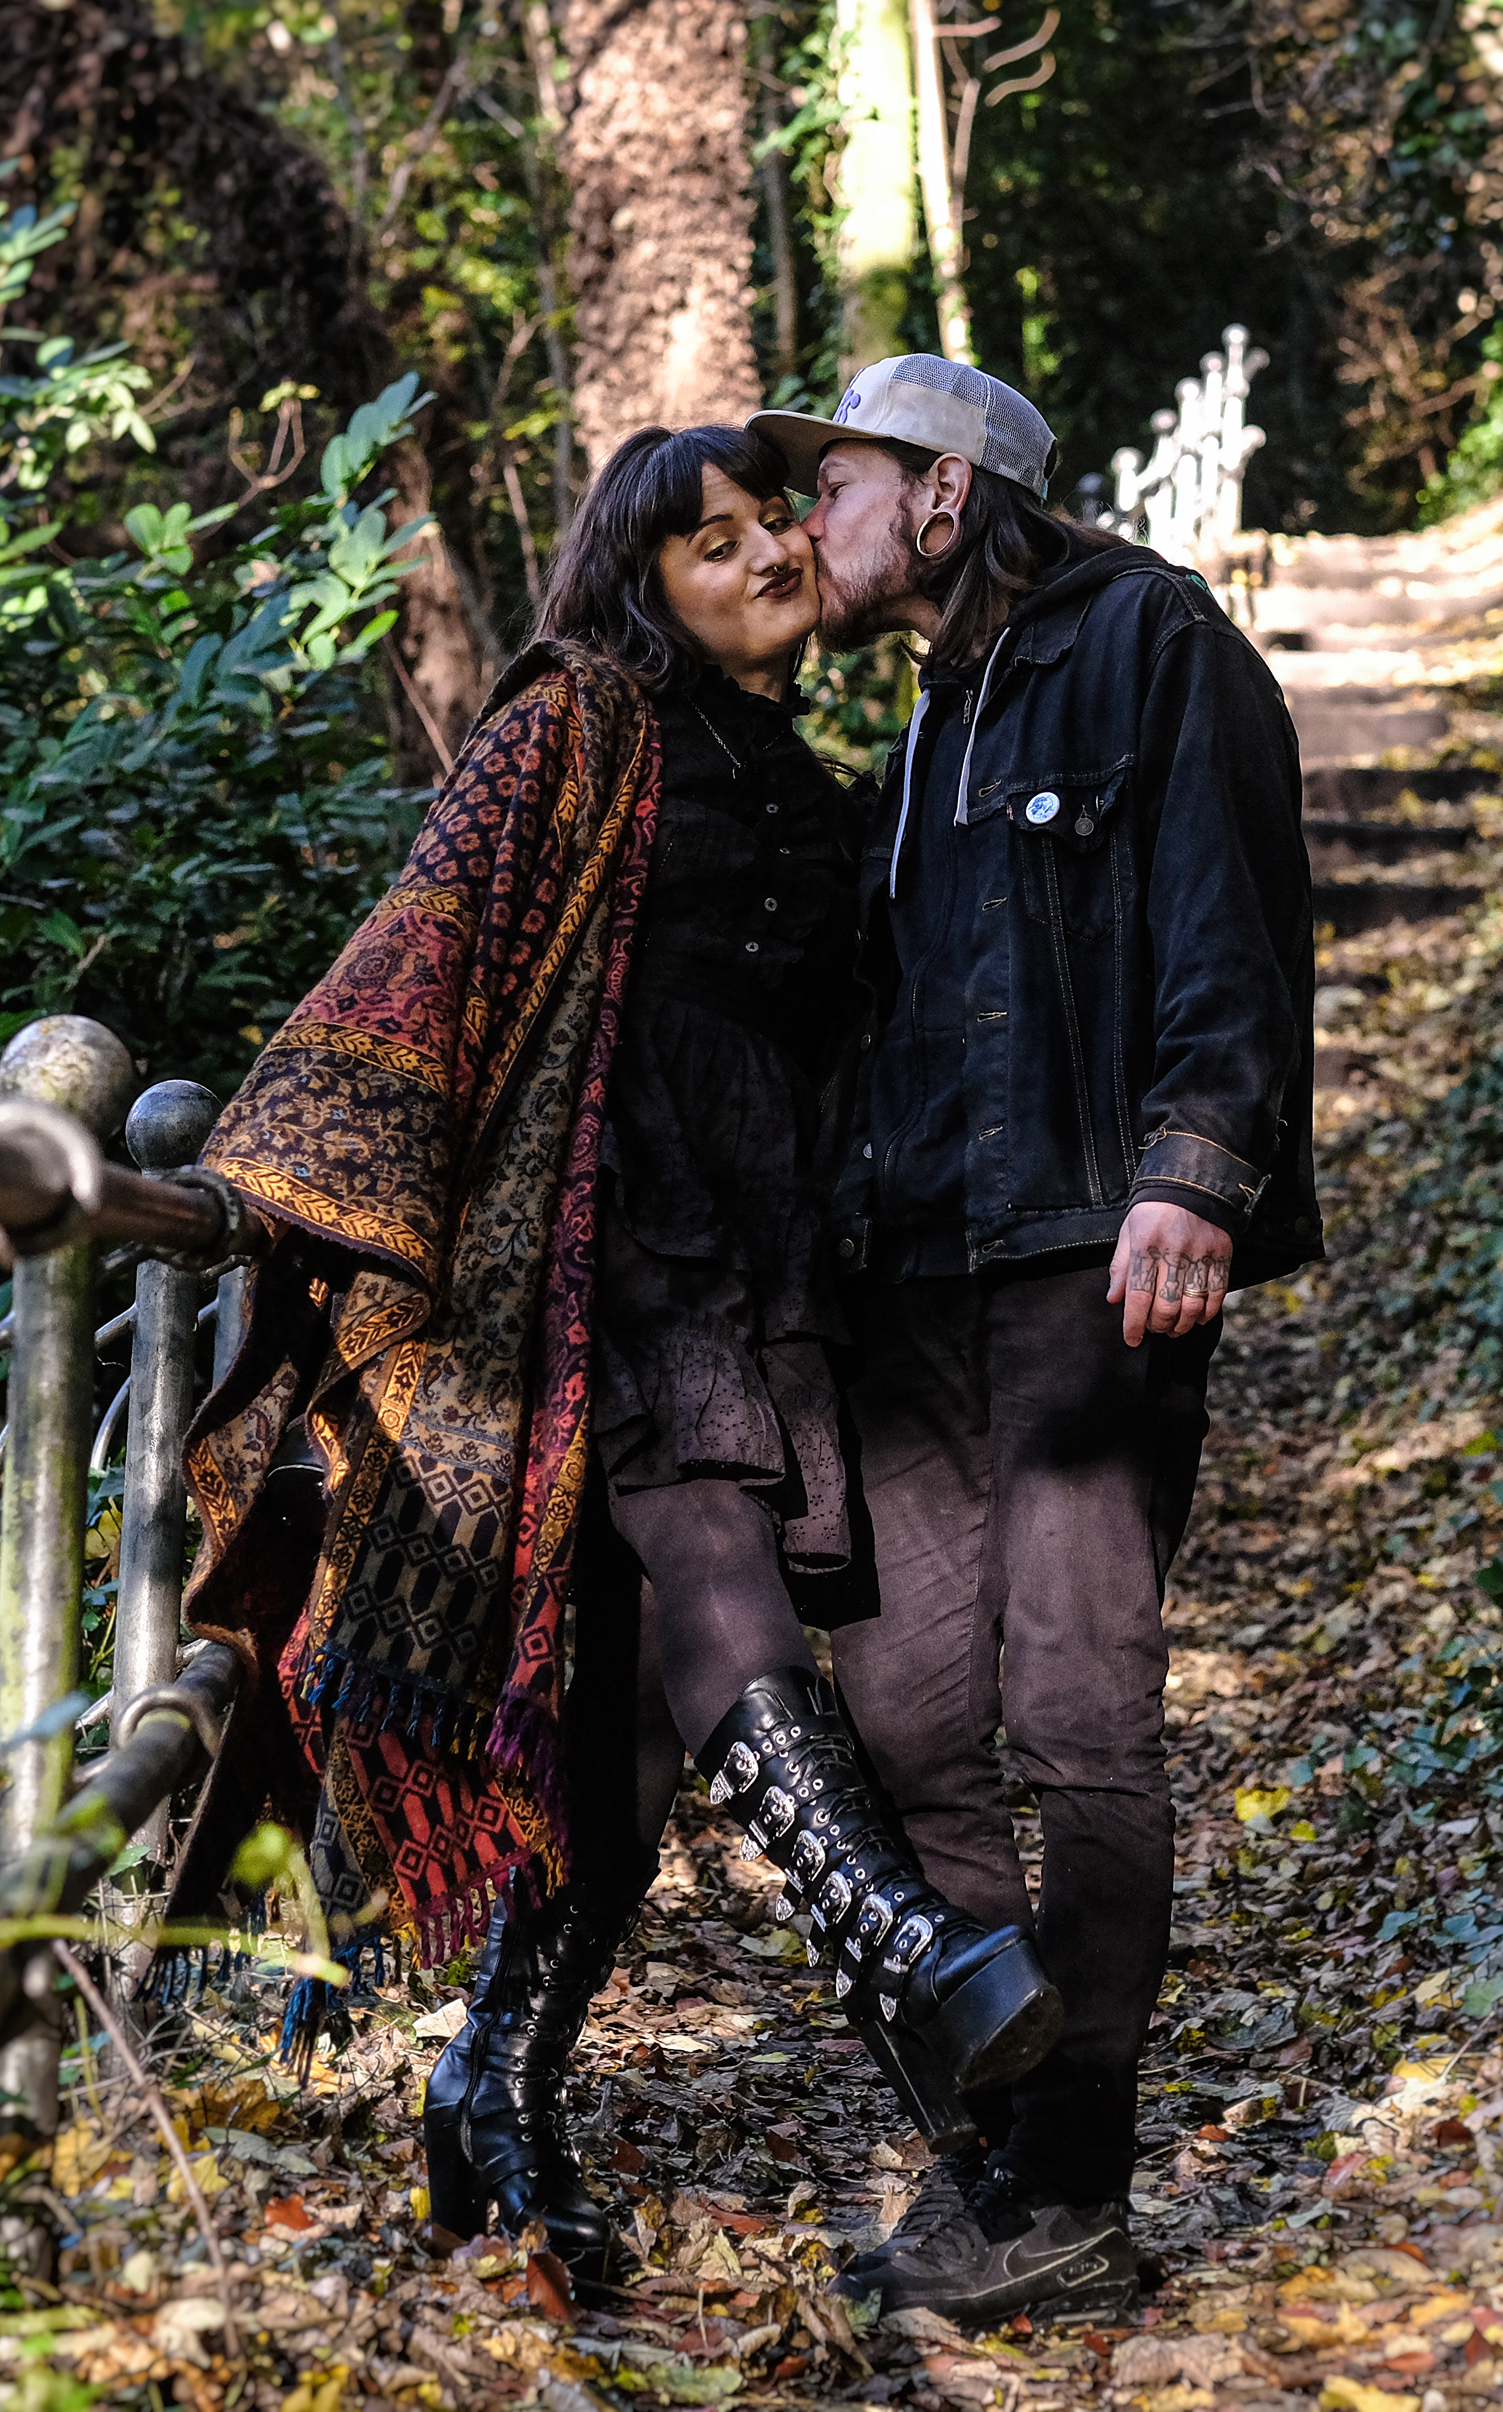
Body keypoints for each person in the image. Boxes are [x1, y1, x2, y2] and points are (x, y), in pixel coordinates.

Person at [174, 421, 1061, 2290]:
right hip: (584, 1273)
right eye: (710, 539)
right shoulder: (575, 723)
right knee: (719, 1562)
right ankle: (911, 1949)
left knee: (634, 1729)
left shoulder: (825, 795)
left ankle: (489, 2093)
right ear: (636, 579)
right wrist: (322, 1179)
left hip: (758, 1270)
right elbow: (426, 939)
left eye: (772, 525)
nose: (762, 555)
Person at [748, 356, 1320, 2322]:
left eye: (831, 486)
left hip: (1092, 1263)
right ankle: (999, 2153)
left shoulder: (1146, 642)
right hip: (909, 1285)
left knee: (1081, 1715)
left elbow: (1229, 919)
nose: (802, 526)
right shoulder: (910, 738)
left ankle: (1071, 2172)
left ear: (938, 491)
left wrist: (1199, 1162)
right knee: (902, 1715)